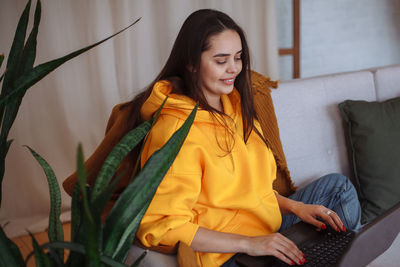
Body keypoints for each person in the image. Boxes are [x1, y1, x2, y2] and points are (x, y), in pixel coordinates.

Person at [129, 9, 362, 267]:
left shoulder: (235, 105)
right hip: (226, 252)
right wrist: (249, 244)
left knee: (338, 190)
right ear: (192, 63)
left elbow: (252, 192)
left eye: (238, 58)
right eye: (221, 61)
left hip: (263, 228)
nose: (233, 69)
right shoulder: (175, 130)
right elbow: (160, 226)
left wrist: (296, 208)